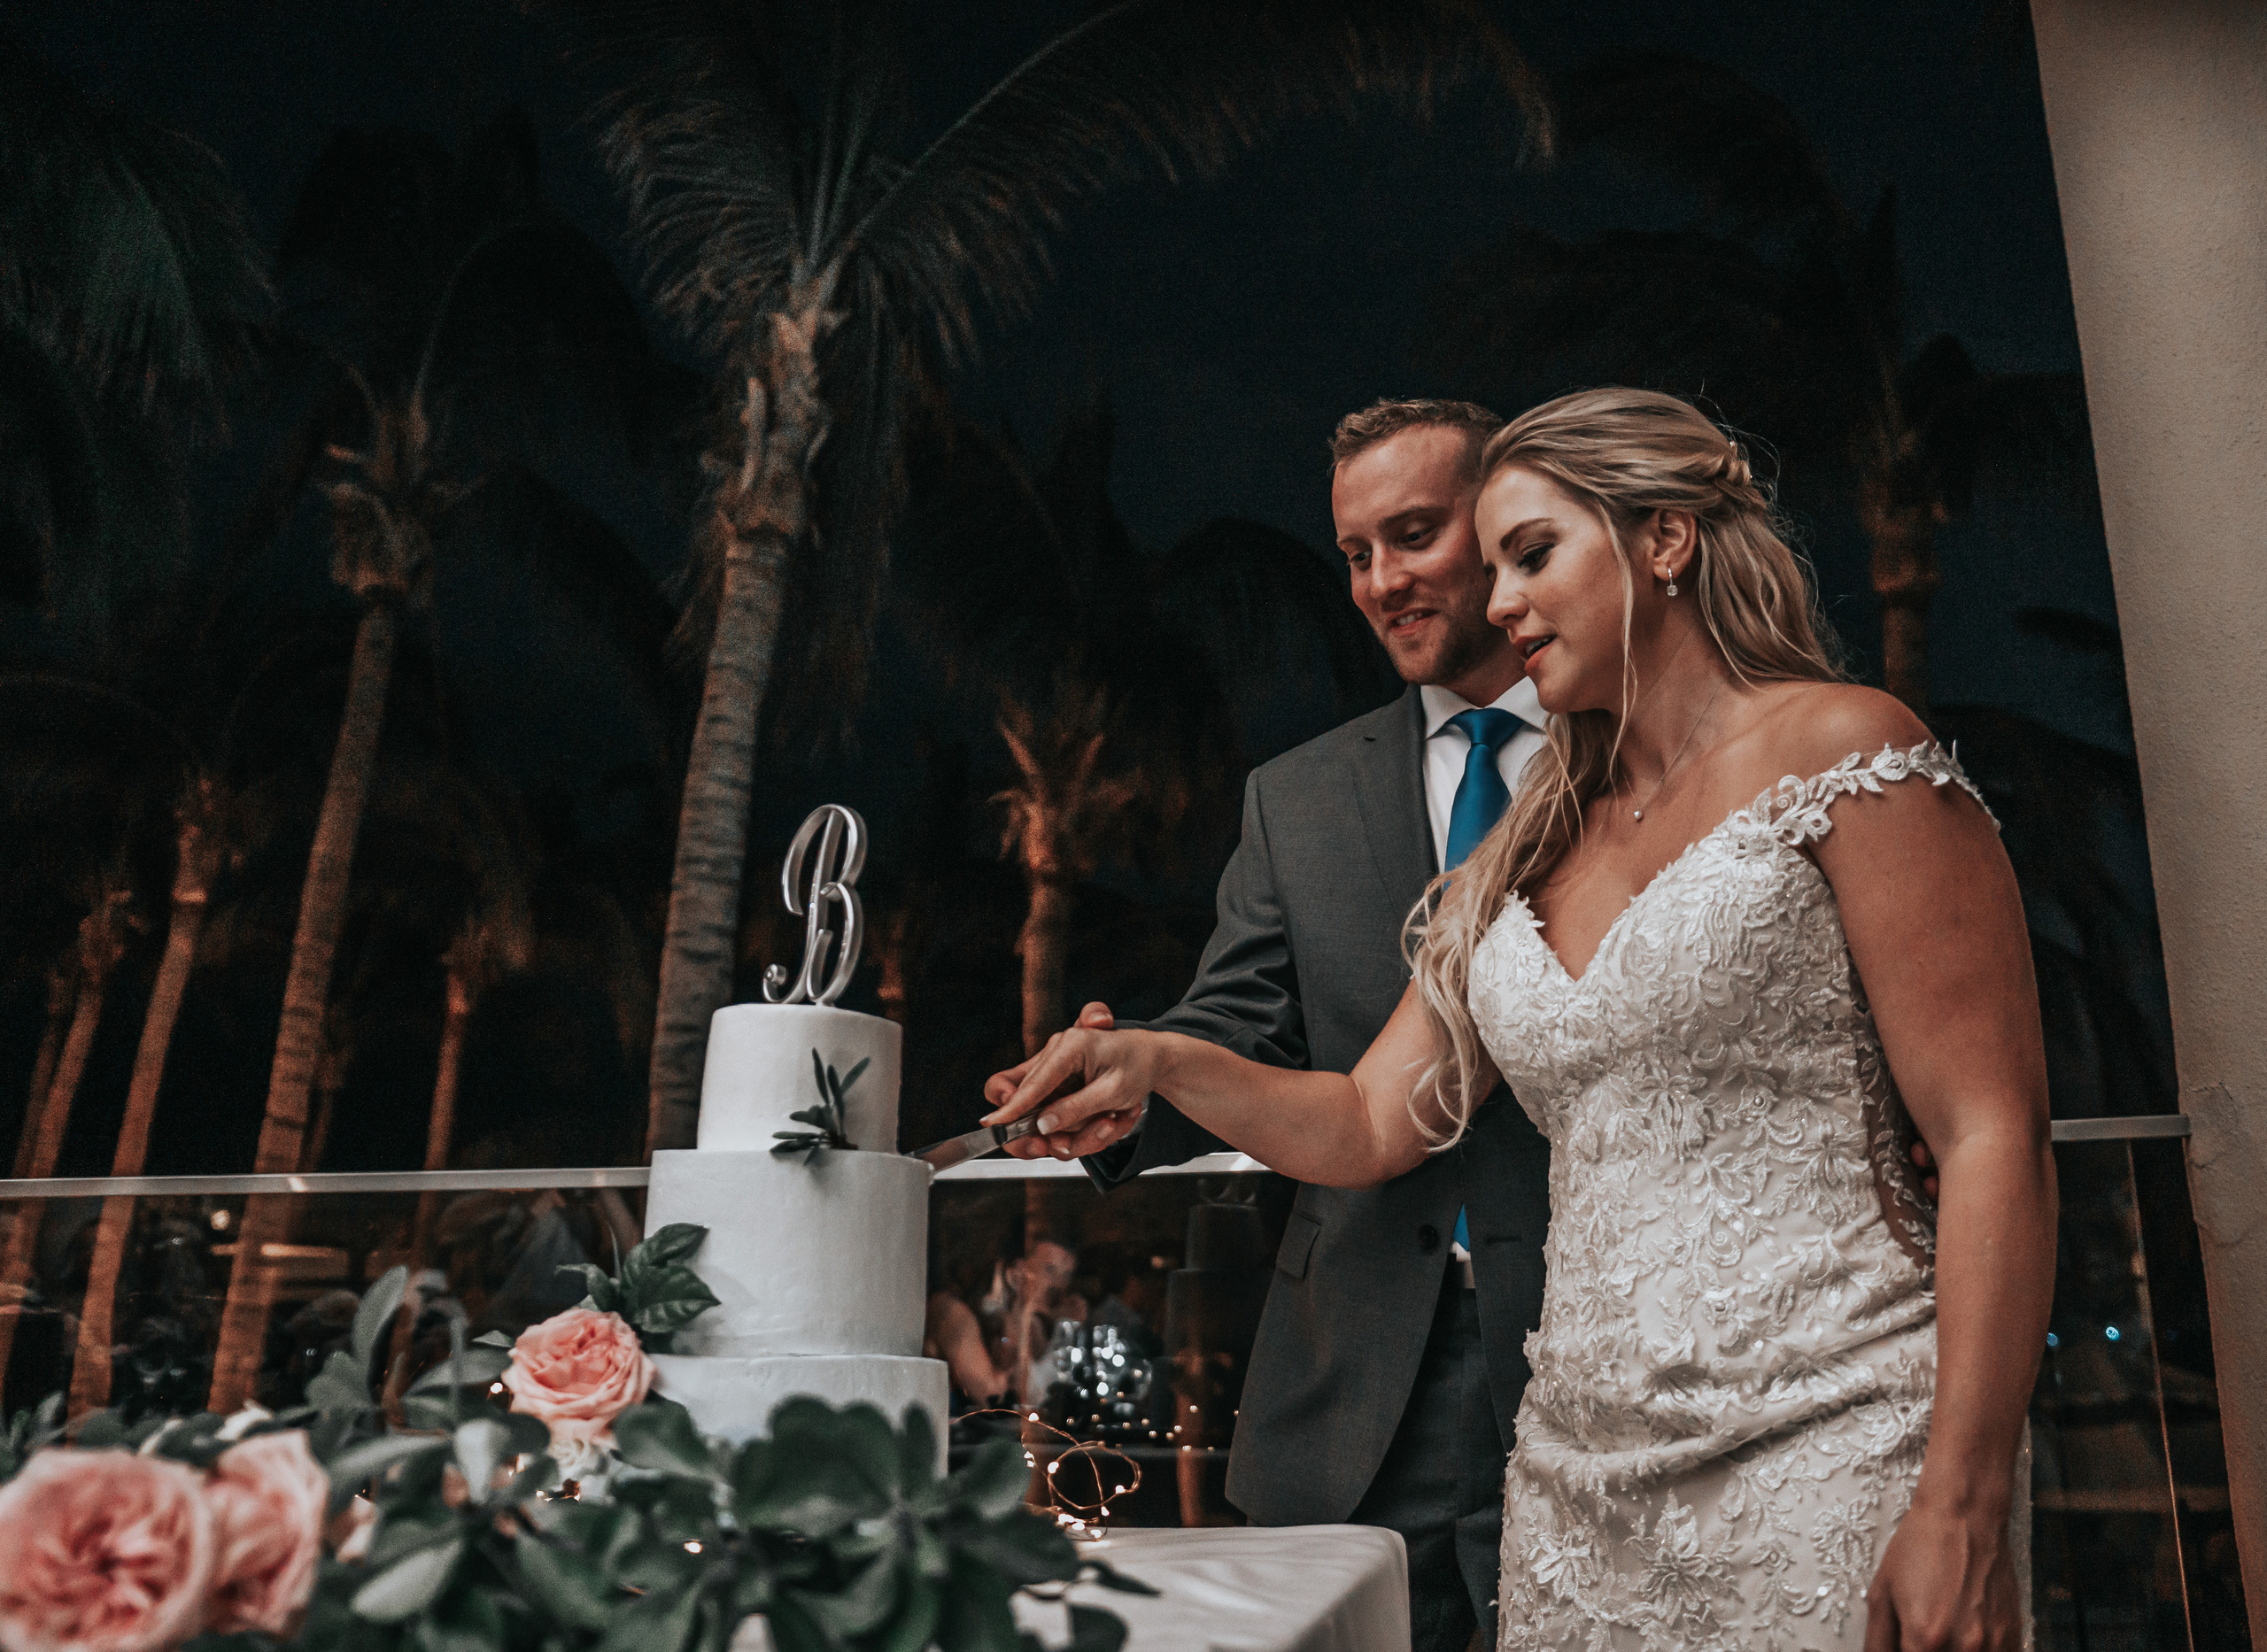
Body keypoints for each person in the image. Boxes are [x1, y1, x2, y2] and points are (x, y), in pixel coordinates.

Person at [988, 388, 2055, 1652]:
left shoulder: (1846, 749)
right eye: (1488, 567)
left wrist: (1964, 1501)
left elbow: (1994, 1133)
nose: (1496, 603)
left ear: (1664, 538)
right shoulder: (1528, 845)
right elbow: (1370, 1119)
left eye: (1530, 556)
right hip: (1576, 1486)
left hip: (1827, 1438)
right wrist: (1156, 1055)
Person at [1008, 398, 1557, 1652]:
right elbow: (1232, 1020)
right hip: (1353, 1369)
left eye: (1412, 535)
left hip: (1595, 1345)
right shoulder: (1295, 795)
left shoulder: (1631, 752)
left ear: (1507, 526)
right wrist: (1136, 1082)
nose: (1379, 581)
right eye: (1356, 552)